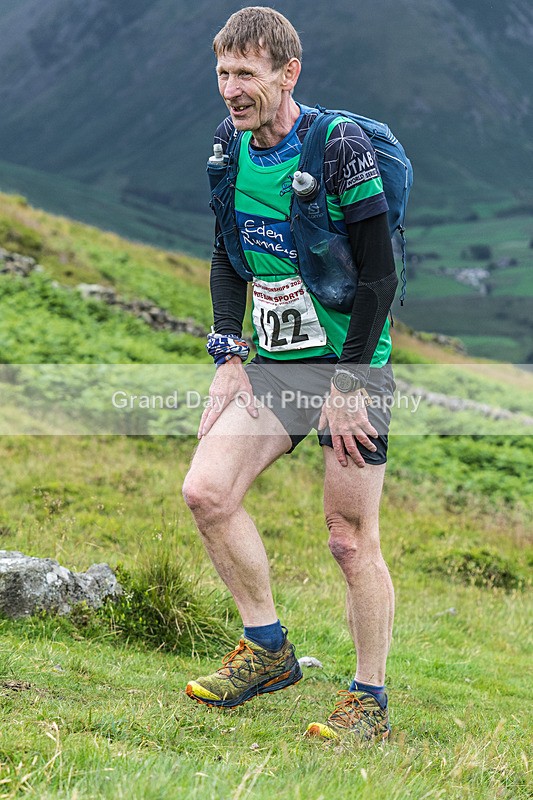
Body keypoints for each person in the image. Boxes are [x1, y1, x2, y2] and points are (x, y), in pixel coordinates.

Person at [182, 6, 398, 743]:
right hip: (276, 363)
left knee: (347, 537)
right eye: (222, 73)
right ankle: (267, 648)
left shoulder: (339, 146)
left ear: (286, 72)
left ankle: (369, 700)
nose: (231, 90)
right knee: (206, 492)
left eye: (246, 73)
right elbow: (224, 253)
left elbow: (380, 274)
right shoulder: (227, 145)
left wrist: (352, 381)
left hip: (350, 364)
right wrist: (227, 353)